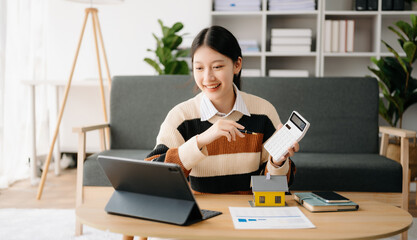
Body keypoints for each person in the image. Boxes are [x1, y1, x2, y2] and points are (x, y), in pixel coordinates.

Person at [145, 26, 298, 194]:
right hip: (201, 215)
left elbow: (274, 191)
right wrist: (201, 140)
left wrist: (277, 162)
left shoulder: (263, 112)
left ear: (237, 64)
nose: (207, 78)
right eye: (199, 68)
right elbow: (151, 176)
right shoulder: (181, 116)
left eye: (217, 67)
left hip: (248, 213)